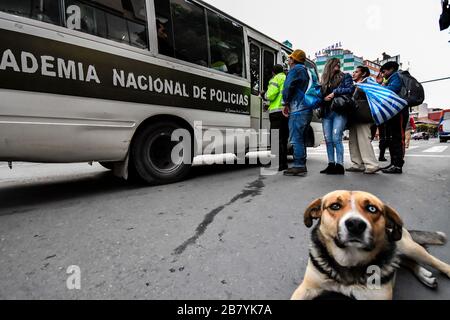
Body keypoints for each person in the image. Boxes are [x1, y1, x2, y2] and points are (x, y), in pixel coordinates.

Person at [319, 58, 354, 175]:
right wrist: (323, 98)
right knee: (328, 140)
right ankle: (331, 164)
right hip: (326, 113)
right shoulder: (323, 79)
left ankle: (340, 165)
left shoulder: (345, 76)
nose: (338, 65)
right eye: (335, 64)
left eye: (339, 63)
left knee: (336, 138)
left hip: (339, 111)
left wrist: (335, 92)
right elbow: (320, 96)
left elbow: (350, 89)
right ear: (330, 65)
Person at [281, 49, 312, 176]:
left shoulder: (295, 70)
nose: (288, 60)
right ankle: (301, 163)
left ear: (293, 60)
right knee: (302, 138)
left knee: (296, 138)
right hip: (307, 108)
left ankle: (299, 165)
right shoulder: (307, 71)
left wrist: (286, 102)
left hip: (297, 109)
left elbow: (288, 87)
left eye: (289, 58)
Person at [347, 66, 380, 174]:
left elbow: (373, 95)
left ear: (364, 73)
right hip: (355, 116)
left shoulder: (368, 82)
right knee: (353, 141)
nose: (353, 74)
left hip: (364, 116)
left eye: (356, 72)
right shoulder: (356, 85)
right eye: (353, 72)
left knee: (363, 140)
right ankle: (357, 164)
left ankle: (371, 165)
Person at [379, 61, 409, 174]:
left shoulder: (396, 76)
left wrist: (381, 87)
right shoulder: (391, 78)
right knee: (392, 138)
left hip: (399, 110)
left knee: (398, 138)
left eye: (383, 71)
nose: (382, 74)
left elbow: (393, 90)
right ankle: (393, 163)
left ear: (391, 69)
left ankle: (398, 165)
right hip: (394, 111)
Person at [261, 64, 288, 171]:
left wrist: (264, 95)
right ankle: (284, 163)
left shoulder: (275, 79)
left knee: (276, 139)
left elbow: (271, 95)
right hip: (285, 113)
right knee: (284, 139)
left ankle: (277, 164)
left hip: (276, 113)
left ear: (273, 72)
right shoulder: (287, 78)